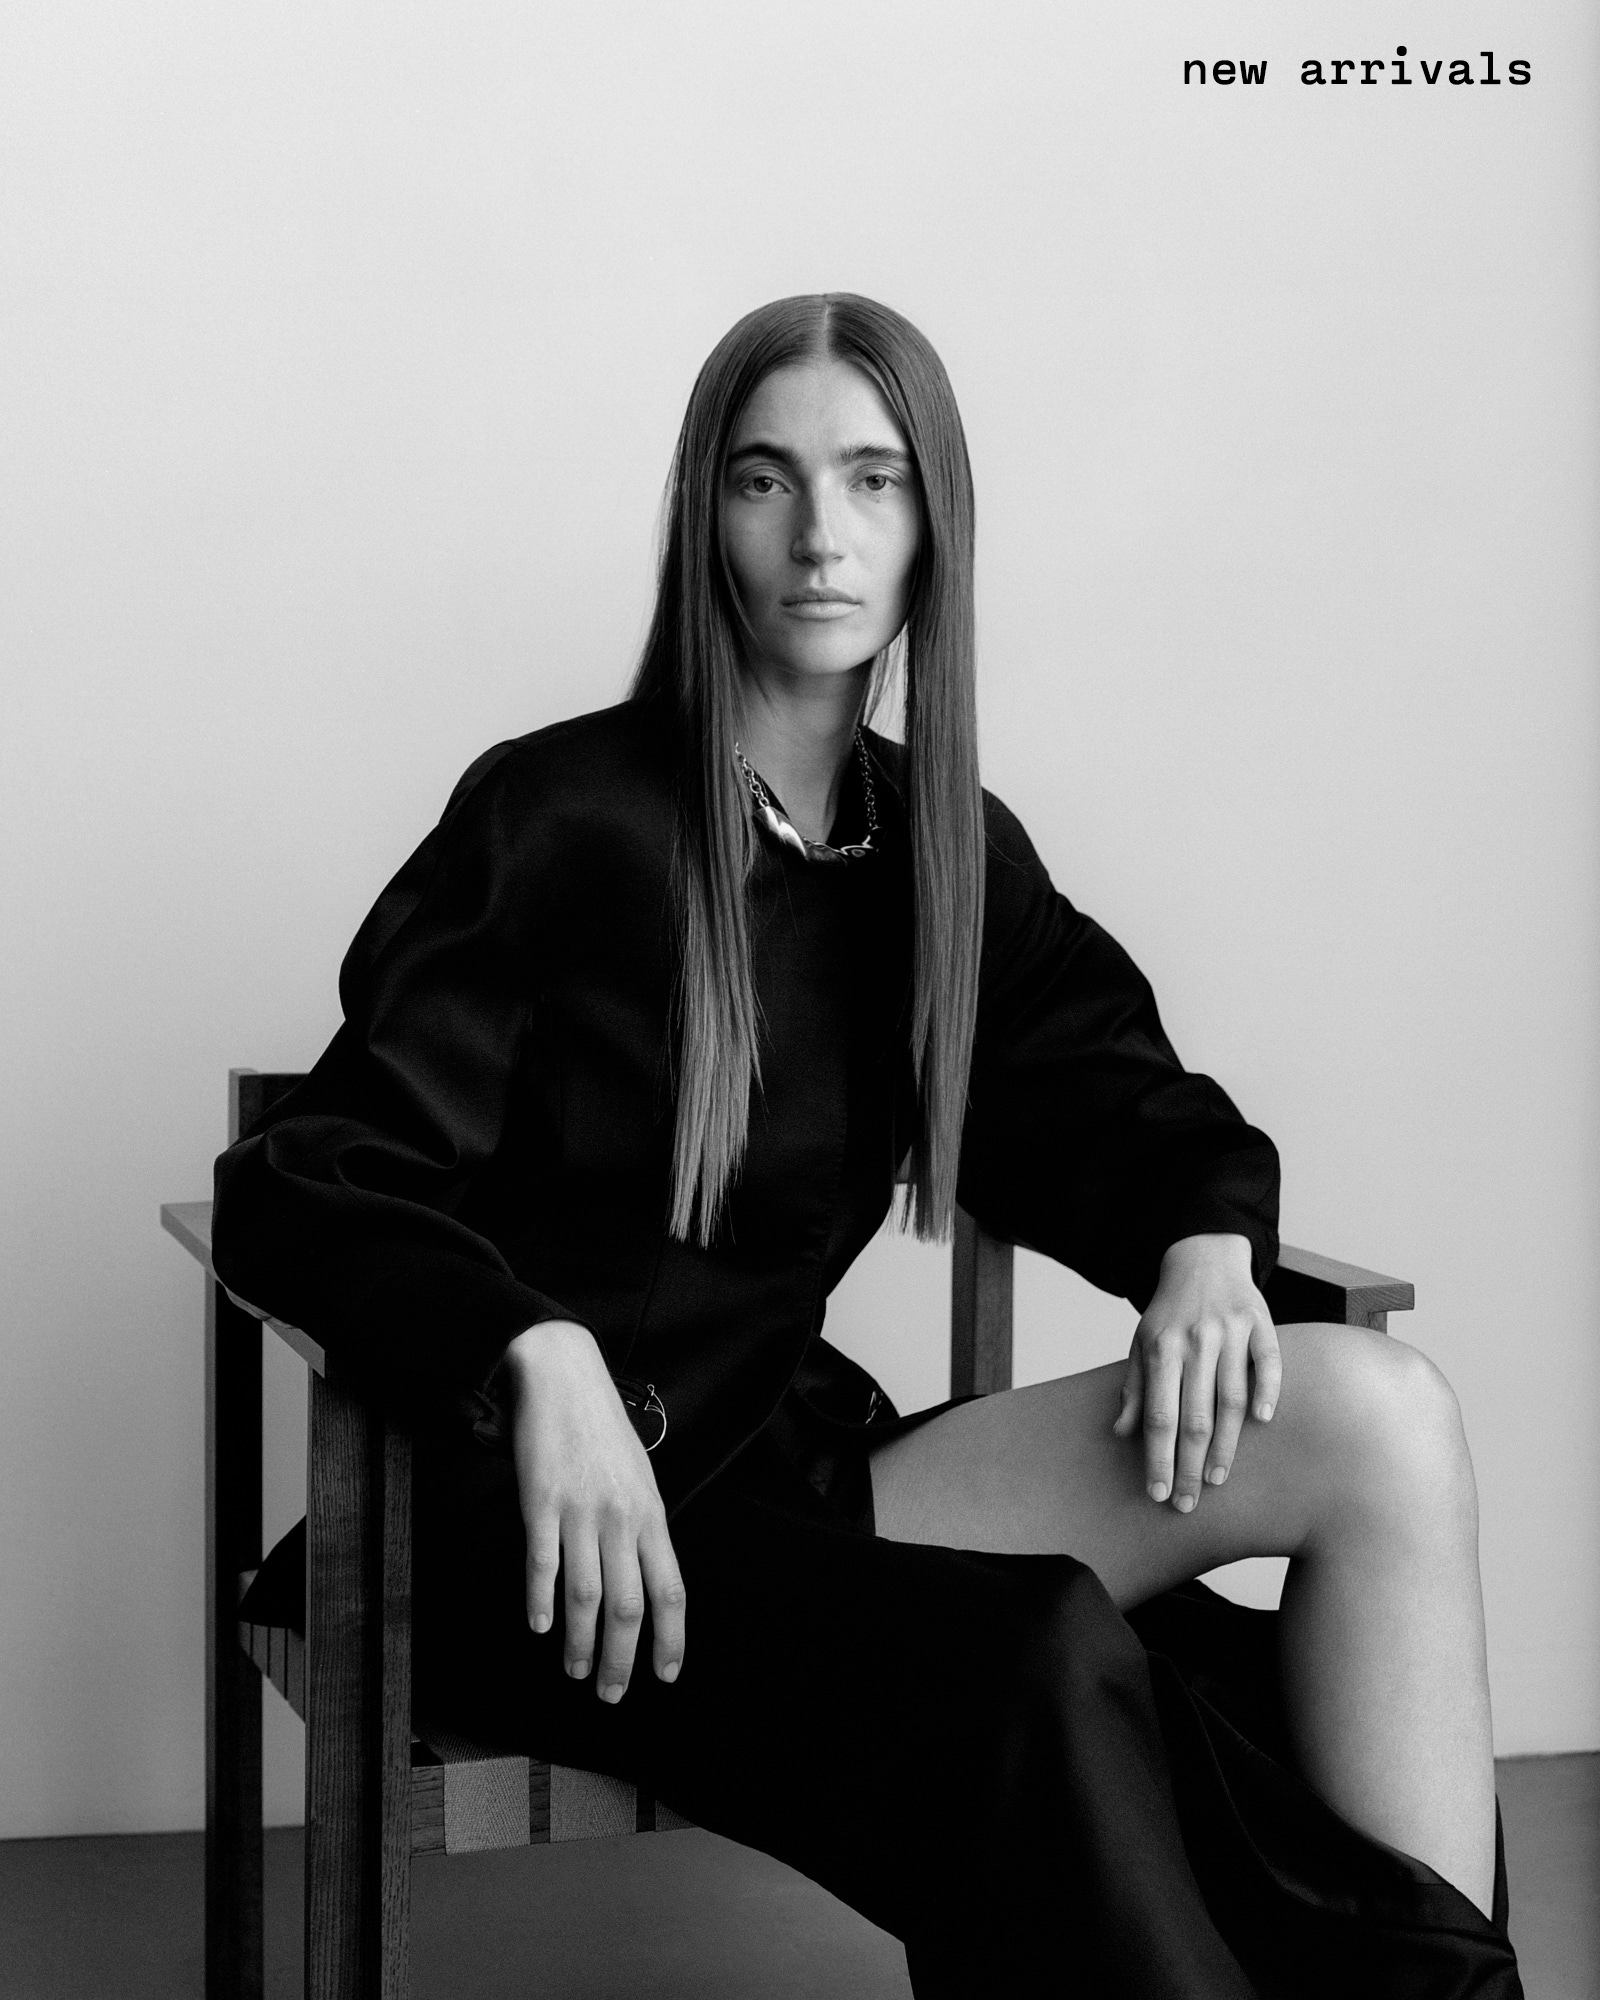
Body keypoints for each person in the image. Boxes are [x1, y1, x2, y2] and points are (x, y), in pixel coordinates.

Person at [213, 294, 1522, 1997]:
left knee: (1383, 1420)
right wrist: (532, 1351)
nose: (820, 534)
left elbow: (1115, 1096)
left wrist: (1203, 1240)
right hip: (546, 1538)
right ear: (709, 518)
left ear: (931, 526)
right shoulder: (558, 819)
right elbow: (302, 1178)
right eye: (767, 479)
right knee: (1043, 1648)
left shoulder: (938, 849)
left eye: (872, 479)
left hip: (787, 1472)